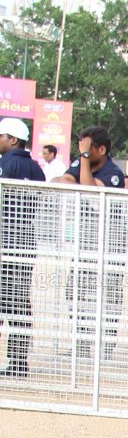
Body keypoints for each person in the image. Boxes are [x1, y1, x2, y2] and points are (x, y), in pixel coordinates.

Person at [55, 126, 128, 361]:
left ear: (101, 149)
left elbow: (92, 194)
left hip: (111, 241)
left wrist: (85, 163)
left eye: (86, 148)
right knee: (77, 291)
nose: (82, 153)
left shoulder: (113, 173)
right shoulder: (82, 164)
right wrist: (82, 165)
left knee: (109, 293)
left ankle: (105, 347)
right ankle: (80, 344)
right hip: (85, 242)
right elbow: (66, 181)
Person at [0, 116, 45, 379]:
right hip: (25, 239)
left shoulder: (6, 163)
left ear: (13, 139)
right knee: (19, 302)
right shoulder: (37, 168)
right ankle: (19, 362)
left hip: (4, 238)